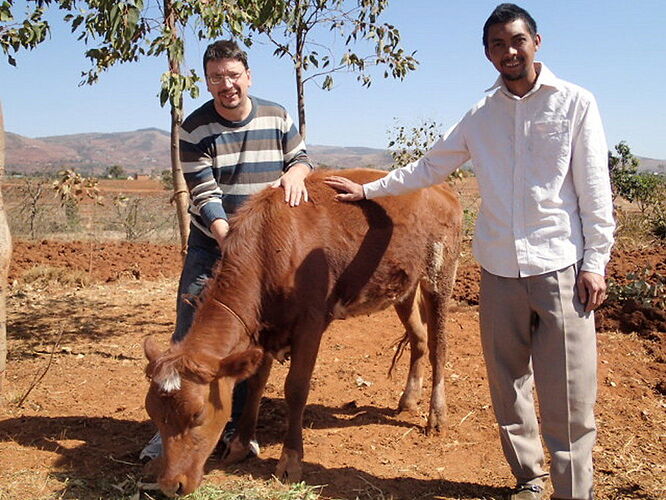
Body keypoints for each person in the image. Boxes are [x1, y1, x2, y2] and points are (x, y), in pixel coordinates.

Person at [325, 4, 614, 500]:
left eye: (517, 41)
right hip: (499, 271)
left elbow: (595, 189)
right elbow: (428, 167)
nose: (509, 51)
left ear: (536, 42)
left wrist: (594, 263)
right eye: (497, 45)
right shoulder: (481, 115)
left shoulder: (575, 103)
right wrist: (369, 191)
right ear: (487, 54)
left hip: (560, 268)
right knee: (508, 387)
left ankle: (573, 493)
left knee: (569, 394)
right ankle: (530, 479)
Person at [141, 39, 312, 461]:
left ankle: (231, 421)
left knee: (250, 337)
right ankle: (170, 424)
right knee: (191, 332)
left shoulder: (276, 115)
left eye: (233, 75)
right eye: (216, 78)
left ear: (248, 77)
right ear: (207, 81)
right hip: (213, 241)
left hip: (266, 251)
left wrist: (297, 173)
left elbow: (302, 157)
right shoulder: (195, 128)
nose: (226, 85)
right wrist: (228, 238)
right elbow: (203, 191)